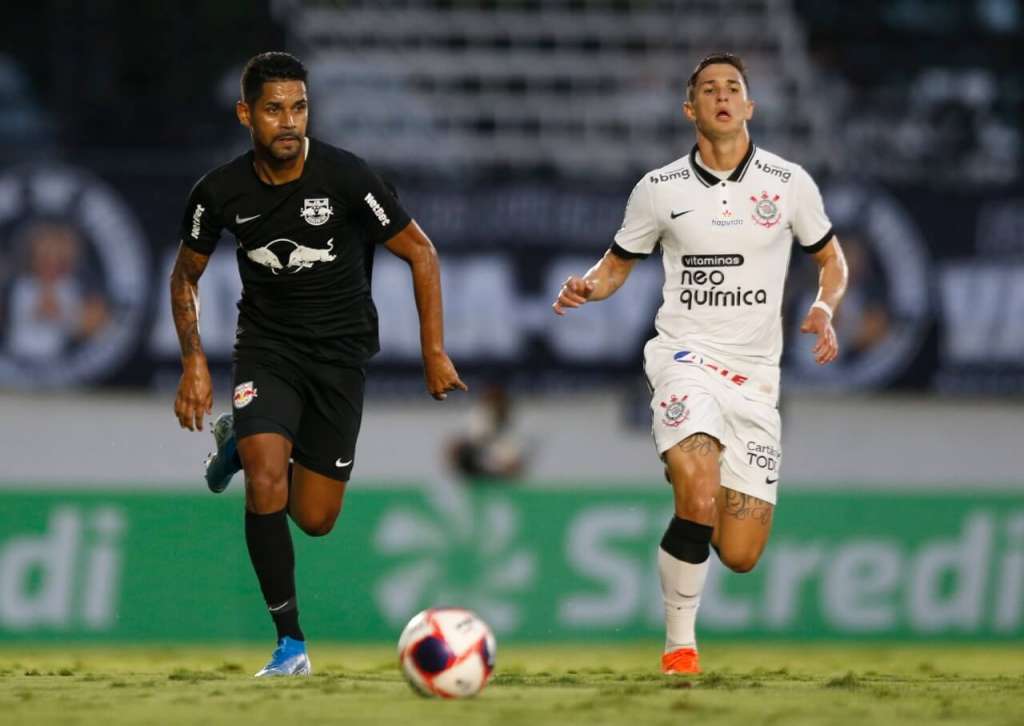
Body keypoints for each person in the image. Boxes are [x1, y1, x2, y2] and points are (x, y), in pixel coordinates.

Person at [170, 52, 466, 677]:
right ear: (246, 114)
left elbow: (422, 252)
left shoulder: (348, 177)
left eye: (299, 107)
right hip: (267, 350)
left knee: (315, 518)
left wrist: (433, 351)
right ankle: (290, 645)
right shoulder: (219, 191)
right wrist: (194, 361)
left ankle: (235, 443)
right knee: (267, 478)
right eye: (274, 109)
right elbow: (185, 276)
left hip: (339, 358)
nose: (289, 122)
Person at [552, 53, 848, 675]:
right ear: (690, 109)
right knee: (698, 484)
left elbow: (832, 261)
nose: (722, 96)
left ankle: (694, 511)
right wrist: (588, 286)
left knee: (738, 552)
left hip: (757, 378)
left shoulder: (788, 183)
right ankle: (679, 646)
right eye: (708, 89)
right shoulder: (658, 189)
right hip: (685, 358)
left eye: (733, 88)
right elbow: (617, 265)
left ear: (749, 106)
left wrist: (824, 307)